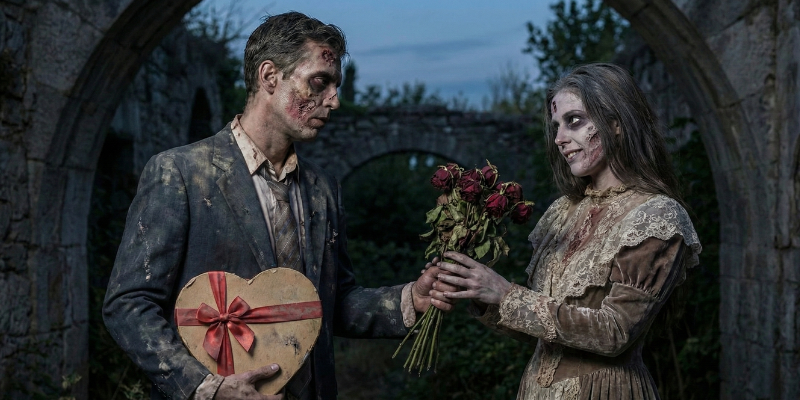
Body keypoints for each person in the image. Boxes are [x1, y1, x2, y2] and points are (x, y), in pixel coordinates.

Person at [103, 12, 452, 400]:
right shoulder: (181, 173)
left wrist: (410, 299)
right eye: (319, 83)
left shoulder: (324, 189)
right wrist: (206, 388)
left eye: (336, 86)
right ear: (269, 77)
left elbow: (331, 302)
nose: (334, 101)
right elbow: (129, 304)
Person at [433, 63, 702, 399]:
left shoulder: (655, 216)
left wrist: (505, 294)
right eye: (556, 125)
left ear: (616, 123)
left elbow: (615, 332)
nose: (560, 138)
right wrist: (477, 290)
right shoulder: (562, 211)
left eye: (573, 121)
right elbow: (540, 330)